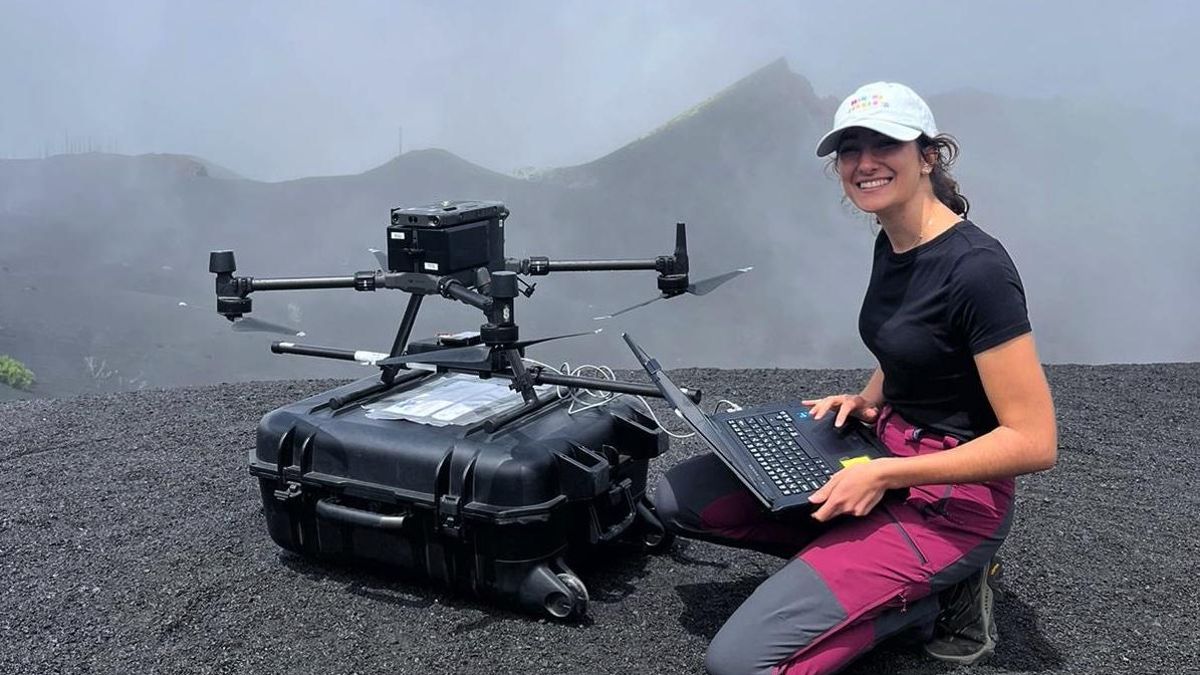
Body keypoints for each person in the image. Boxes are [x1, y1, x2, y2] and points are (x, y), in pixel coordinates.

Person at [653, 81, 1058, 675]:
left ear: (927, 155)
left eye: (884, 144)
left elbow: (1033, 441)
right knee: (679, 501)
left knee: (738, 665)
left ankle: (933, 597)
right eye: (849, 150)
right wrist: (866, 400)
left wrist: (888, 472)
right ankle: (868, 570)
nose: (864, 163)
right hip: (879, 453)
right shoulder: (892, 240)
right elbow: (911, 347)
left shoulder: (978, 271)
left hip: (949, 503)